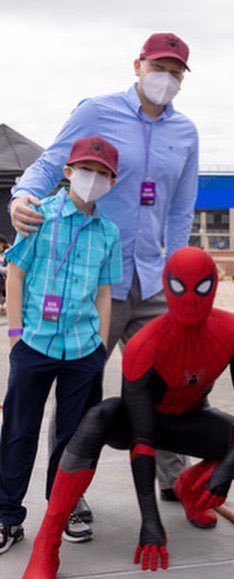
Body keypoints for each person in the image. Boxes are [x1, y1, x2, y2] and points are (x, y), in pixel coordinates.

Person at [9, 32, 199, 518]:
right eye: (159, 67)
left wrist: (179, 276)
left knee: (167, 380)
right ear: (137, 65)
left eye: (176, 72)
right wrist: (20, 198)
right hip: (94, 283)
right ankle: (69, 493)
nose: (167, 79)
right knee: (79, 391)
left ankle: (172, 473)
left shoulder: (186, 134)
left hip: (153, 279)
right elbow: (52, 160)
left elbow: (180, 211)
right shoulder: (97, 111)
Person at [20, 247, 234, 579]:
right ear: (166, 289)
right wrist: (149, 520)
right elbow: (142, 441)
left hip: (190, 419)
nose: (190, 300)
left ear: (214, 286)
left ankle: (188, 486)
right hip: (141, 422)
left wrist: (226, 468)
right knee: (96, 418)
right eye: (180, 288)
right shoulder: (144, 344)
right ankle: (47, 542)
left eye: (200, 288)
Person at [0, 136, 122, 555]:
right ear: (68, 173)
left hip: (82, 350)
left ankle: (64, 508)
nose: (94, 179)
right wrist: (15, 337)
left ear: (112, 182)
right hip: (34, 344)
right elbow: (14, 274)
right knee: (19, 432)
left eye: (103, 174)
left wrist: (100, 349)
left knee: (73, 438)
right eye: (86, 170)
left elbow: (105, 292)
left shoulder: (108, 233)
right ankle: (8, 515)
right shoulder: (40, 217)